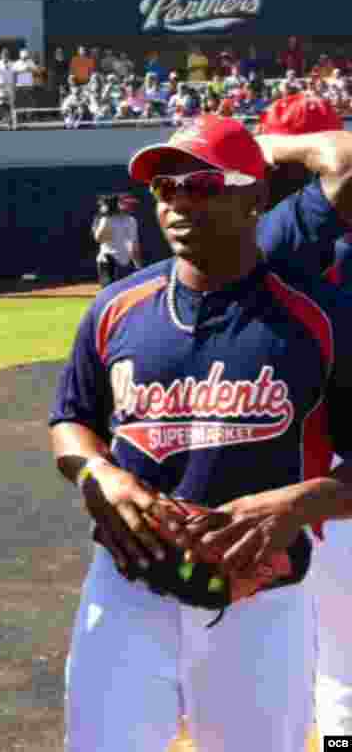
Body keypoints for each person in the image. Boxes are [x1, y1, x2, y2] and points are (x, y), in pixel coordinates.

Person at [49, 114, 352, 752]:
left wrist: (306, 500)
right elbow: (71, 420)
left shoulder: (315, 320)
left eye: (203, 184)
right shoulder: (115, 309)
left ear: (254, 199)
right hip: (127, 586)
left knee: (339, 689)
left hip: (263, 596)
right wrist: (97, 471)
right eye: (166, 188)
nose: (180, 201)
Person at [253, 94, 352, 744]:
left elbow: (341, 161)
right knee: (340, 660)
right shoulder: (291, 229)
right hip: (331, 468)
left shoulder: (278, 229)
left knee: (290, 657)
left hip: (299, 469)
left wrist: (271, 145)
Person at [91, 194, 137, 286]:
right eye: (127, 203)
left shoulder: (131, 220)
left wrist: (137, 263)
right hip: (107, 261)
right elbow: (98, 238)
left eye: (131, 204)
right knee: (109, 292)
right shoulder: (105, 219)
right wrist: (105, 222)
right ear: (118, 205)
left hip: (124, 262)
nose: (131, 206)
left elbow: (134, 244)